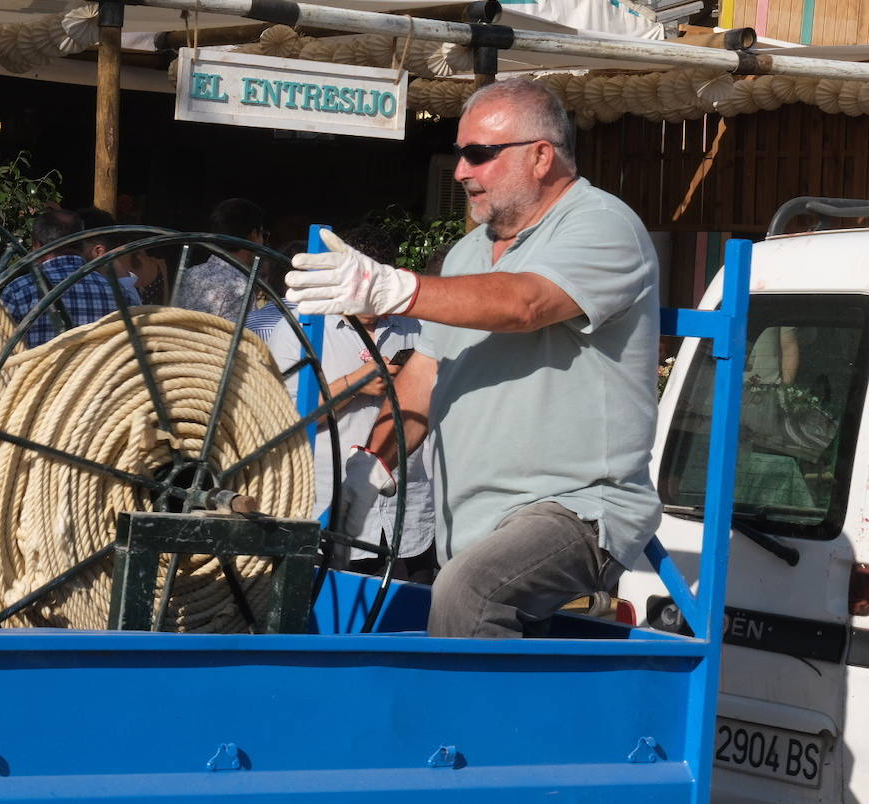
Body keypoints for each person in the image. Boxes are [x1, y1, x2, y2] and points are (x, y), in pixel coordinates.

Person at [285, 78, 661, 637]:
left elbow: (525, 303)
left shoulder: (602, 224)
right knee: (452, 590)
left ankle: (465, 729)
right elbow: (424, 374)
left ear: (540, 156)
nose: (461, 170)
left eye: (479, 154)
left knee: (471, 590)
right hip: (473, 523)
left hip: (576, 510)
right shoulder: (466, 253)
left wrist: (394, 289)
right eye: (461, 154)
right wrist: (373, 464)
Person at [267, 225, 433, 581]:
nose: (372, 302)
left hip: (410, 513)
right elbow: (283, 425)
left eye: (377, 288)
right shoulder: (300, 330)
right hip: (327, 509)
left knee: (409, 622)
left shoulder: (415, 327)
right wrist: (352, 386)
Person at [0, 208, 124, 348]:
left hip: (40, 369)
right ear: (81, 243)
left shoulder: (18, 291)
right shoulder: (118, 292)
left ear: (38, 246)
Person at [174, 198, 266, 322]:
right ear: (253, 236)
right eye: (263, 234)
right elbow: (242, 338)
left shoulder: (190, 274)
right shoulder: (241, 288)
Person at [76, 207, 142, 307]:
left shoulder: (114, 295)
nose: (71, 254)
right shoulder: (124, 286)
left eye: (77, 248)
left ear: (98, 252)